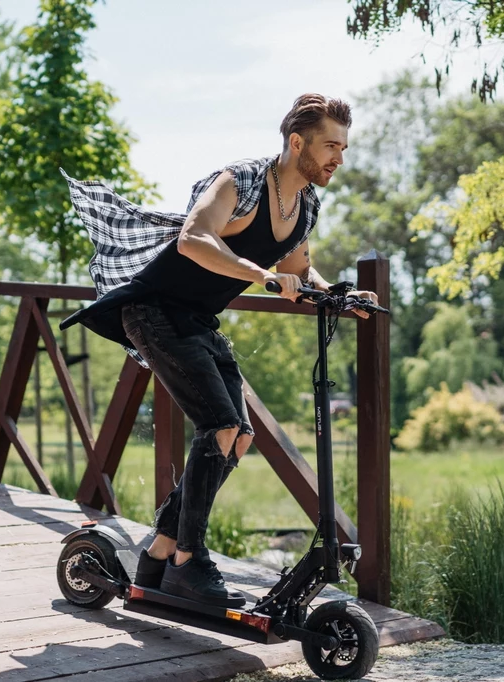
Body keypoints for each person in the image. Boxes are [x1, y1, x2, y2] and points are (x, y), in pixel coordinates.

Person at [60, 93, 378, 607]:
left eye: (343, 148)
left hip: (197, 321)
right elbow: (193, 239)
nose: (339, 159)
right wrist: (261, 276)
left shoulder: (305, 206)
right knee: (221, 426)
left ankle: (160, 552)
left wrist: (340, 294)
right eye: (330, 147)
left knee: (239, 436)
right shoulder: (241, 181)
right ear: (297, 142)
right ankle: (189, 561)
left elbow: (297, 270)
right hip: (153, 310)